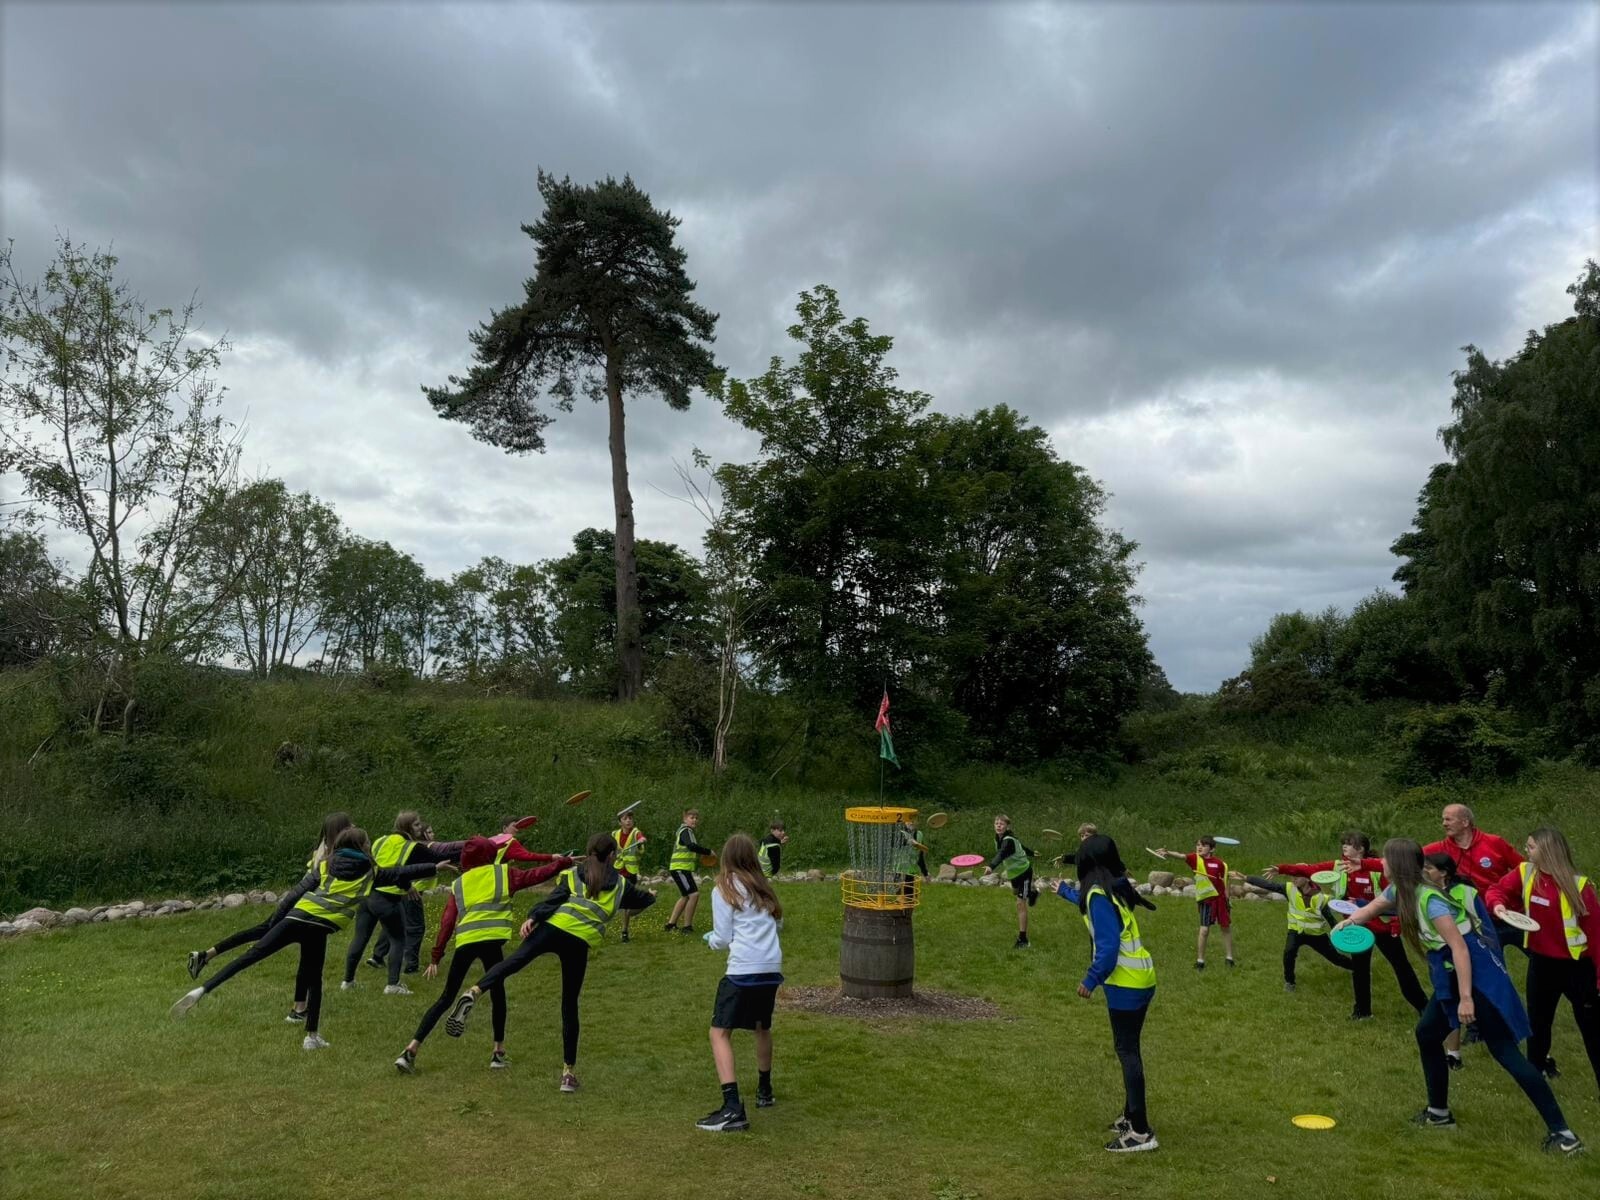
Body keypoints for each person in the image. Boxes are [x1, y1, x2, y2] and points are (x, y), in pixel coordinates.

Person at [1335, 838, 1582, 1153]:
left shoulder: (1430, 899)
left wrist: (1466, 999)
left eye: (1384, 859)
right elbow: (1374, 907)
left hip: (1477, 979)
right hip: (1452, 977)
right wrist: (1349, 922)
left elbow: (1461, 948)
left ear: (1395, 864)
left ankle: (1564, 1134)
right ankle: (1439, 1114)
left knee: (1505, 1052)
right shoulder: (1401, 890)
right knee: (1427, 1034)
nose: (1380, 863)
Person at [170, 827, 446, 1049]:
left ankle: (201, 990)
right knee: (314, 980)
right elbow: (400, 873)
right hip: (319, 927)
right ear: (363, 847)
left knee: (249, 956)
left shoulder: (326, 866)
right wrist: (435, 867)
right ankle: (311, 1036)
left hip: (295, 917)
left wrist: (274, 921)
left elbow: (295, 893)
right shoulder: (371, 872)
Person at [444, 832, 656, 1093]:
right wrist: (652, 894)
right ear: (612, 855)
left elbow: (553, 900)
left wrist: (533, 917)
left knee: (514, 961)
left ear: (589, 852)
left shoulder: (573, 875)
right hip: (579, 942)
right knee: (569, 1004)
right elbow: (644, 899)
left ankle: (474, 991)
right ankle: (568, 1074)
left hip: (552, 928)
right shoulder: (622, 886)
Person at [393, 836, 572, 1074]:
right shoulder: (502, 873)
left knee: (446, 997)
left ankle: (410, 1050)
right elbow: (536, 876)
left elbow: (447, 921)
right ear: (489, 854)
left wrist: (436, 956)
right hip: (493, 939)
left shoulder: (459, 883)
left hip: (467, 940)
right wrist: (563, 862)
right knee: (497, 993)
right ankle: (498, 1052)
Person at [184, 811, 352, 1029]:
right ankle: (206, 956)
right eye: (349, 825)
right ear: (341, 830)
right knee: (268, 939)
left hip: (302, 907)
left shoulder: (323, 848)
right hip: (304, 909)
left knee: (287, 948)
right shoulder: (332, 855)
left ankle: (298, 1008)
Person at [1049, 835, 1158, 1152]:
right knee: (1129, 1049)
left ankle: (1140, 1132)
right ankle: (1130, 1116)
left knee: (1127, 1052)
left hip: (1126, 983)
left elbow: (1108, 947)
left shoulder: (1099, 893)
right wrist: (1066, 893)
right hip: (1140, 977)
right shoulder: (1114, 885)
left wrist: (1091, 978)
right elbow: (1095, 910)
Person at [1486, 827, 1600, 1091]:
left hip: (1577, 968)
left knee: (1593, 1030)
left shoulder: (1579, 886)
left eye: (1531, 846)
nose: (1526, 850)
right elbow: (1496, 890)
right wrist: (1498, 906)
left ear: (1547, 850)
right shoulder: (1525, 872)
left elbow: (1596, 936)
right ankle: (1534, 1079)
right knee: (1537, 1024)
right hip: (1541, 964)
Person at [1273, 831, 1426, 1019]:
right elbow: (1311, 870)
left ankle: (1424, 1008)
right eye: (1343, 843)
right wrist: (1281, 869)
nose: (1344, 847)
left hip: (1381, 927)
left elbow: (1393, 900)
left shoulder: (1381, 869)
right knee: (1360, 969)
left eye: (1349, 843)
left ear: (1361, 849)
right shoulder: (1339, 866)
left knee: (1401, 967)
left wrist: (1363, 905)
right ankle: (1362, 1012)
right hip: (1356, 926)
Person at [696, 833, 784, 1133]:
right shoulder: (764, 887)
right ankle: (765, 1090)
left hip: (743, 970)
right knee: (762, 1026)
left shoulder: (723, 888)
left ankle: (732, 1108)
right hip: (771, 968)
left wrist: (711, 941)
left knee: (719, 1032)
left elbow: (722, 937)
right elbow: (777, 923)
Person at [343, 812, 461, 995]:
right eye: (416, 825)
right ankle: (393, 985)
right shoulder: (412, 848)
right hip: (388, 899)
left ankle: (347, 981)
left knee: (360, 938)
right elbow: (437, 856)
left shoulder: (381, 840)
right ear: (406, 828)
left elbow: (383, 867)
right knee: (398, 940)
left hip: (368, 895)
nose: (420, 828)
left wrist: (407, 885)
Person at [1423, 803, 1525, 951]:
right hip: (1480, 921)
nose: (1444, 824)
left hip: (1512, 914)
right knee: (1493, 967)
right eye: (1443, 820)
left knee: (1541, 961)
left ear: (1465, 822)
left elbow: (1524, 869)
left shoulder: (1494, 842)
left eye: (1448, 819)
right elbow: (1408, 857)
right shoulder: (1439, 850)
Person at [1239, 871, 1352, 992]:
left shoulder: (1321, 898)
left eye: (1297, 876)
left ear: (1308, 879)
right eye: (1292, 875)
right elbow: (1268, 885)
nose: (1293, 879)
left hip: (1316, 935)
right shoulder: (1289, 889)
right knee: (1289, 953)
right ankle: (1290, 982)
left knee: (1335, 958)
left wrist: (1342, 935)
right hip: (1295, 931)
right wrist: (1247, 877)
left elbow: (1330, 919)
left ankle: (1358, 968)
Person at [1155, 837, 1234, 969]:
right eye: (1198, 845)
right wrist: (1168, 853)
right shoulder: (1195, 859)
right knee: (1204, 930)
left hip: (1221, 900)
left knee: (1225, 928)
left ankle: (1229, 958)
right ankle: (1200, 961)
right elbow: (1181, 856)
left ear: (1212, 849)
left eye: (1203, 845)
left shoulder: (1221, 864)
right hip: (1207, 900)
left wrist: (1228, 899)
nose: (1199, 847)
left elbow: (1224, 882)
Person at [1059, 824, 1156, 914]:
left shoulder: (1102, 844)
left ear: (1094, 834)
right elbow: (1078, 858)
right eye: (1081, 836)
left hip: (1109, 877)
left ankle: (1137, 900)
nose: (1084, 838)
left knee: (1121, 889)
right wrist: (1064, 858)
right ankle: (1133, 901)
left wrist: (1124, 870)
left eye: (1087, 835)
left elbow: (1113, 859)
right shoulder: (1084, 849)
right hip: (1097, 881)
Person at [990, 815, 1038, 948]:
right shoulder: (999, 839)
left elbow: (1001, 854)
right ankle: (1033, 893)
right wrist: (1032, 853)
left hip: (1024, 873)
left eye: (1002, 824)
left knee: (1020, 904)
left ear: (1007, 826)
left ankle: (1023, 939)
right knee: (1015, 892)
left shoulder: (1008, 841)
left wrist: (991, 866)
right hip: (1014, 874)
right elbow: (1020, 846)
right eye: (996, 823)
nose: (998, 825)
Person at [666, 809, 714, 934]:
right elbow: (691, 846)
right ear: (684, 819)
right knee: (694, 895)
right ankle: (687, 927)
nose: (694, 820)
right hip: (680, 868)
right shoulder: (686, 831)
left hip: (681, 868)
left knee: (685, 896)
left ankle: (671, 924)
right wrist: (708, 852)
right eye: (691, 817)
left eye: (696, 818)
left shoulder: (687, 831)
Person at [613, 807, 648, 942]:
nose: (628, 821)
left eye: (630, 818)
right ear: (620, 822)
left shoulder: (635, 832)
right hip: (617, 871)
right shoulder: (615, 834)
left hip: (630, 872)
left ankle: (624, 931)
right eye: (625, 819)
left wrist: (641, 841)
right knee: (616, 901)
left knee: (627, 904)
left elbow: (641, 839)